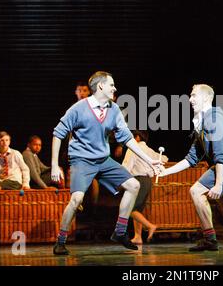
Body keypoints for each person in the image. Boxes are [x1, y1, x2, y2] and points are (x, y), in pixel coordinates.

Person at [50, 71, 161, 255]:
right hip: (82, 160)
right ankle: (60, 241)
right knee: (76, 199)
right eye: (111, 84)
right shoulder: (78, 109)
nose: (115, 88)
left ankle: (119, 232)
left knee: (133, 185)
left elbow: (127, 138)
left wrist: (149, 160)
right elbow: (58, 133)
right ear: (100, 86)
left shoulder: (113, 109)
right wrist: (54, 164)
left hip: (103, 160)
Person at [159, 84, 223, 251]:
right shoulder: (202, 123)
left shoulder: (213, 118)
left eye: (194, 95)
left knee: (195, 191)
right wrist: (165, 171)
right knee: (219, 196)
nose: (190, 99)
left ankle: (210, 238)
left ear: (207, 98)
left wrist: (218, 184)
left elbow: (220, 154)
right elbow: (191, 159)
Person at [122, 130, 168, 245]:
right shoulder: (148, 150)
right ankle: (138, 236)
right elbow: (164, 158)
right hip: (147, 181)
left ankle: (150, 226)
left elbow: (126, 167)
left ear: (137, 137)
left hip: (137, 180)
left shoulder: (133, 148)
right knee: (137, 210)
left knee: (129, 209)